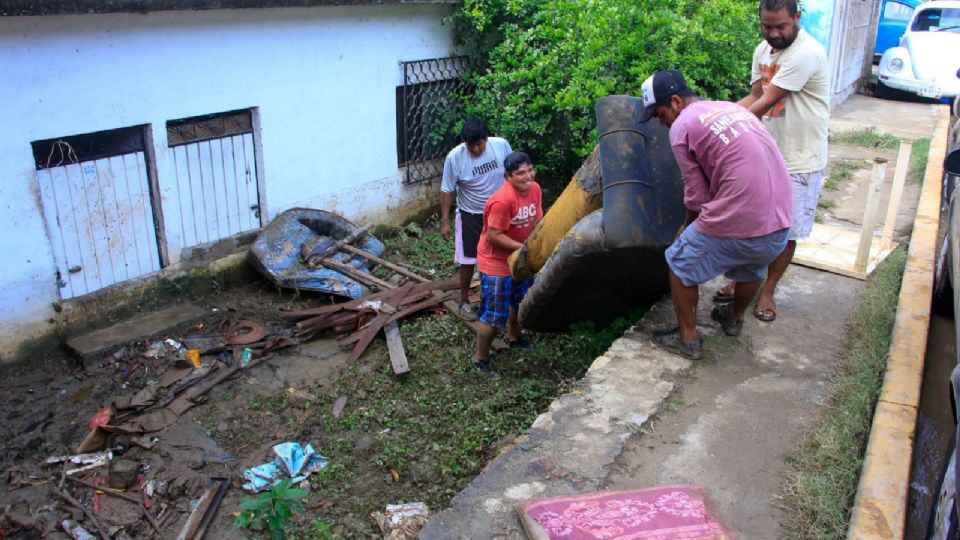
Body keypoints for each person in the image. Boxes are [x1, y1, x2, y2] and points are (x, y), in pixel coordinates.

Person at [639, 70, 794, 360]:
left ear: (675, 102)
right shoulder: (731, 109)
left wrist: (686, 226)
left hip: (743, 218)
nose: (662, 123)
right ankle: (732, 317)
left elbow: (696, 195)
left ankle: (688, 339)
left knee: (679, 260)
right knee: (753, 266)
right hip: (781, 223)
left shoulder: (681, 126)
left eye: (660, 115)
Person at [713, 0, 830, 322]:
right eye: (767, 26)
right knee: (750, 223)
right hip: (764, 153)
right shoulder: (762, 50)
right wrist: (713, 116)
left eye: (781, 26)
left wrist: (720, 129)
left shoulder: (805, 53)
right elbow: (753, 95)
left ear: (797, 18)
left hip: (799, 158)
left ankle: (767, 291)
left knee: (786, 231)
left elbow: (766, 102)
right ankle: (741, 280)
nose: (774, 34)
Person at [472, 151, 542, 378]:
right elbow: (494, 235)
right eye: (520, 173)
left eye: (530, 170)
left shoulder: (535, 189)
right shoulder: (502, 200)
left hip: (520, 258)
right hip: (497, 263)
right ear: (508, 176)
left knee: (519, 302)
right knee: (493, 315)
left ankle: (514, 336)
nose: (528, 176)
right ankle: (480, 359)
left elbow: (537, 221)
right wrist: (522, 249)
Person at [440, 119, 513, 321]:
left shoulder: (501, 146)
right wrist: (445, 220)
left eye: (479, 144)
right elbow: (447, 189)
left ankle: (498, 297)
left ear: (486, 139)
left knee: (502, 255)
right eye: (470, 145)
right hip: (470, 214)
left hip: (500, 213)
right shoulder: (455, 158)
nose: (475, 148)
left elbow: (511, 174)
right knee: (468, 260)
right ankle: (464, 301)